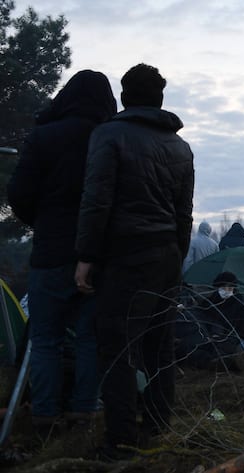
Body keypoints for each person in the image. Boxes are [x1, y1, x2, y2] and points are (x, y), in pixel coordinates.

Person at [74, 64, 194, 460]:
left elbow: (96, 199)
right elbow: (184, 213)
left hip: (126, 256)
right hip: (167, 254)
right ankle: (157, 429)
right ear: (159, 98)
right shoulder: (180, 147)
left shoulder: (108, 135)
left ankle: (121, 442)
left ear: (125, 97)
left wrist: (87, 256)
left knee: (117, 348)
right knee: (160, 347)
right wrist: (177, 255)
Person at [6, 70, 116, 442]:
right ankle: (84, 413)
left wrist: (43, 222)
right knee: (89, 338)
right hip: (97, 255)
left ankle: (44, 416)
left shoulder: (44, 136)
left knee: (45, 339)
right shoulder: (109, 136)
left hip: (51, 253)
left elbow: (19, 193)